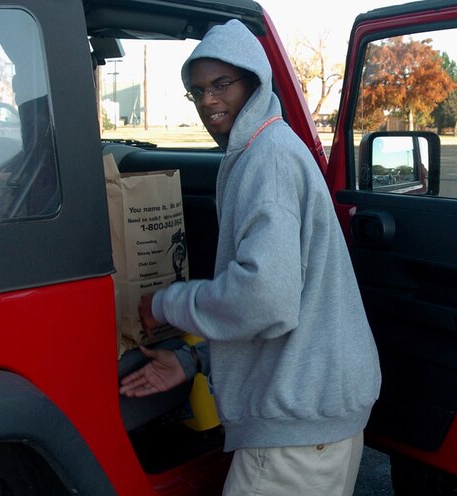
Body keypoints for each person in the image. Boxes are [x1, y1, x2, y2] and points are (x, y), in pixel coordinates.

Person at [118, 19, 381, 496]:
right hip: (316, 413)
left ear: (255, 82)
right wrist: (196, 362)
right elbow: (281, 311)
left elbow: (263, 299)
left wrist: (165, 303)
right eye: (197, 91)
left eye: (222, 85)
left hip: (297, 430)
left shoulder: (269, 159)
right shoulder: (263, 151)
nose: (209, 101)